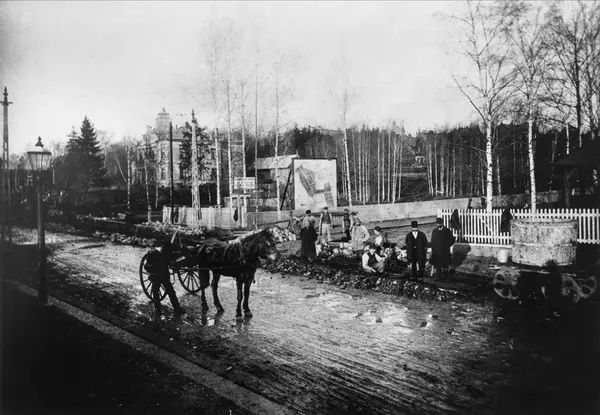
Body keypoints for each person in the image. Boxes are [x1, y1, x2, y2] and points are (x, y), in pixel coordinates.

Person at [144, 240, 185, 317]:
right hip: (161, 275)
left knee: (159, 292)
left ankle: (159, 310)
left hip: (159, 275)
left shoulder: (154, 254)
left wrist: (152, 271)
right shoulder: (162, 253)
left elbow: (147, 267)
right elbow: (147, 267)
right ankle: (175, 308)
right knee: (168, 292)